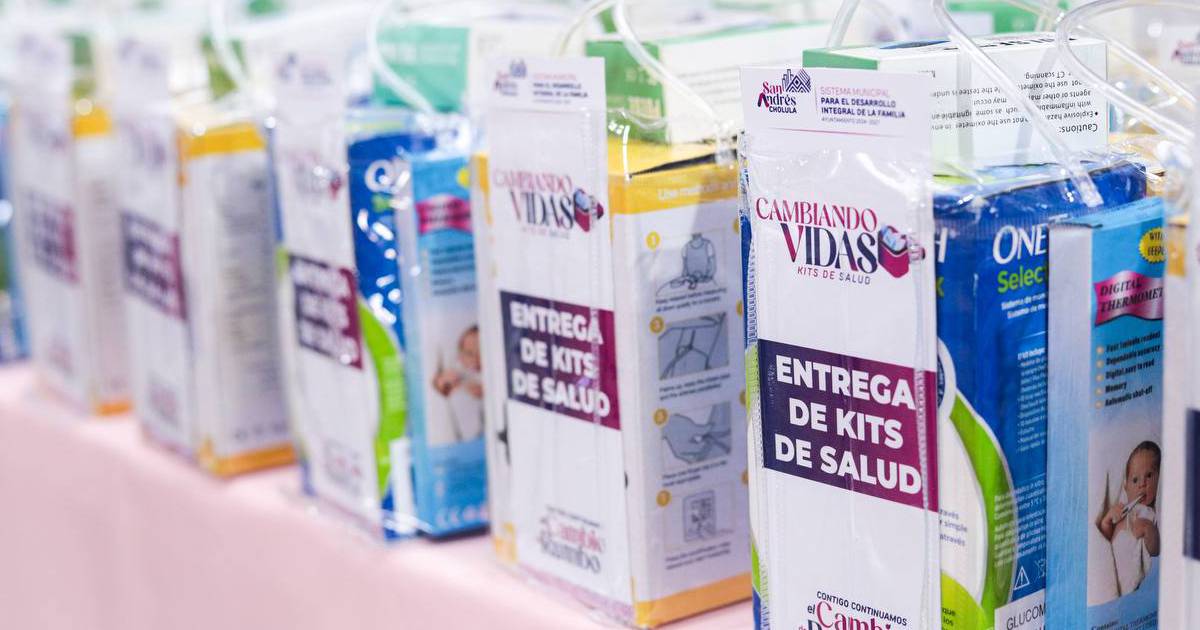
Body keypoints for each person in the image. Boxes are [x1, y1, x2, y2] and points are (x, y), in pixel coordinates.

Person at [1098, 440, 1161, 596]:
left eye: (1149, 475)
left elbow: (1155, 550)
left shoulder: (1150, 514)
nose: (1142, 484)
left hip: (1128, 579)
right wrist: (1107, 520)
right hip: (1110, 571)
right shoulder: (1122, 510)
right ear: (1126, 487)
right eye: (1135, 480)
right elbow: (1105, 540)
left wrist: (1148, 529)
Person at [431, 326, 483, 442]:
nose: (476, 359)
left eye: (481, 352)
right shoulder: (460, 371)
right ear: (460, 355)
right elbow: (440, 383)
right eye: (469, 353)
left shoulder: (485, 374)